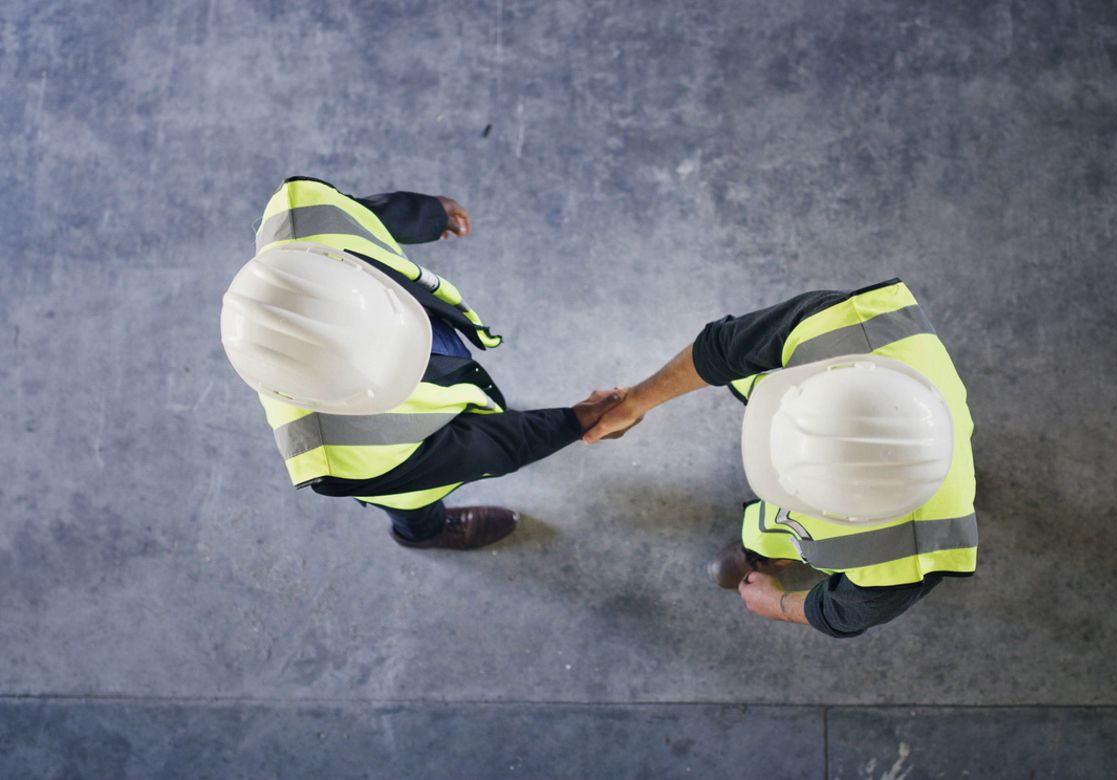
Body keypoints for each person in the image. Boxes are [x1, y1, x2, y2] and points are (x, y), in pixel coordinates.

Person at [221, 176, 621, 550]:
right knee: (411, 502)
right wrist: (574, 422)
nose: (415, 352)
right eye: (399, 364)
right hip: (395, 473)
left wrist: (427, 214)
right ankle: (425, 533)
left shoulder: (302, 215)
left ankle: (466, 399)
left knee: (455, 378)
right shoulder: (344, 456)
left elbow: (361, 216)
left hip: (403, 326)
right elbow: (484, 448)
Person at [583, 279, 977, 637]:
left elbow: (841, 612)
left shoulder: (900, 566)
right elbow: (722, 349)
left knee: (780, 531)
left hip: (824, 407)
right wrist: (635, 401)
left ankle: (764, 554)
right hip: (817, 384)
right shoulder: (839, 325)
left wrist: (780, 605)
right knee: (751, 356)